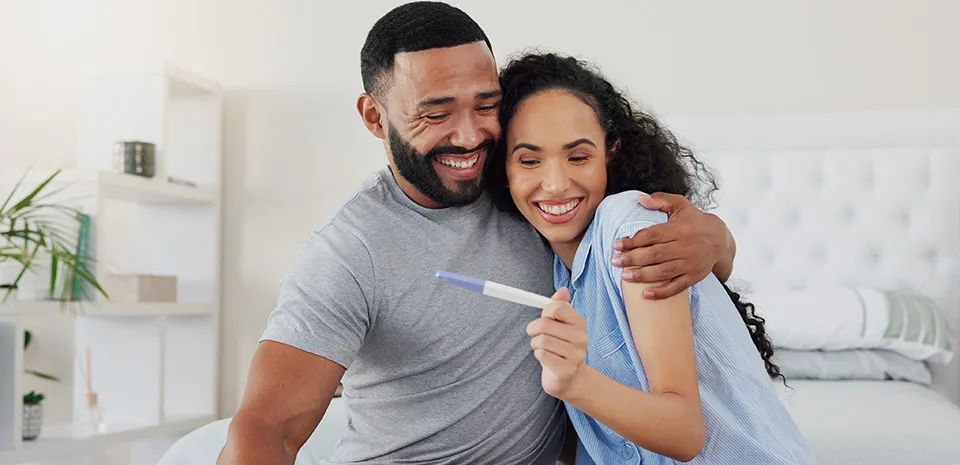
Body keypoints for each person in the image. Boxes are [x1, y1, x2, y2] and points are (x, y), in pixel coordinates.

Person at [217, 3, 739, 464]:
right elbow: (269, 427)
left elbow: (678, 276)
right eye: (435, 113)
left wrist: (715, 238)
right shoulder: (349, 252)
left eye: (485, 106)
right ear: (375, 117)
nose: (469, 136)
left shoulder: (527, 185)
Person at [488, 51, 818, 464]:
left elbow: (683, 433)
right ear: (504, 169)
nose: (554, 184)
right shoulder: (552, 273)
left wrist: (573, 382)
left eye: (578, 157)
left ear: (611, 153)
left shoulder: (630, 228)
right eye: (530, 160)